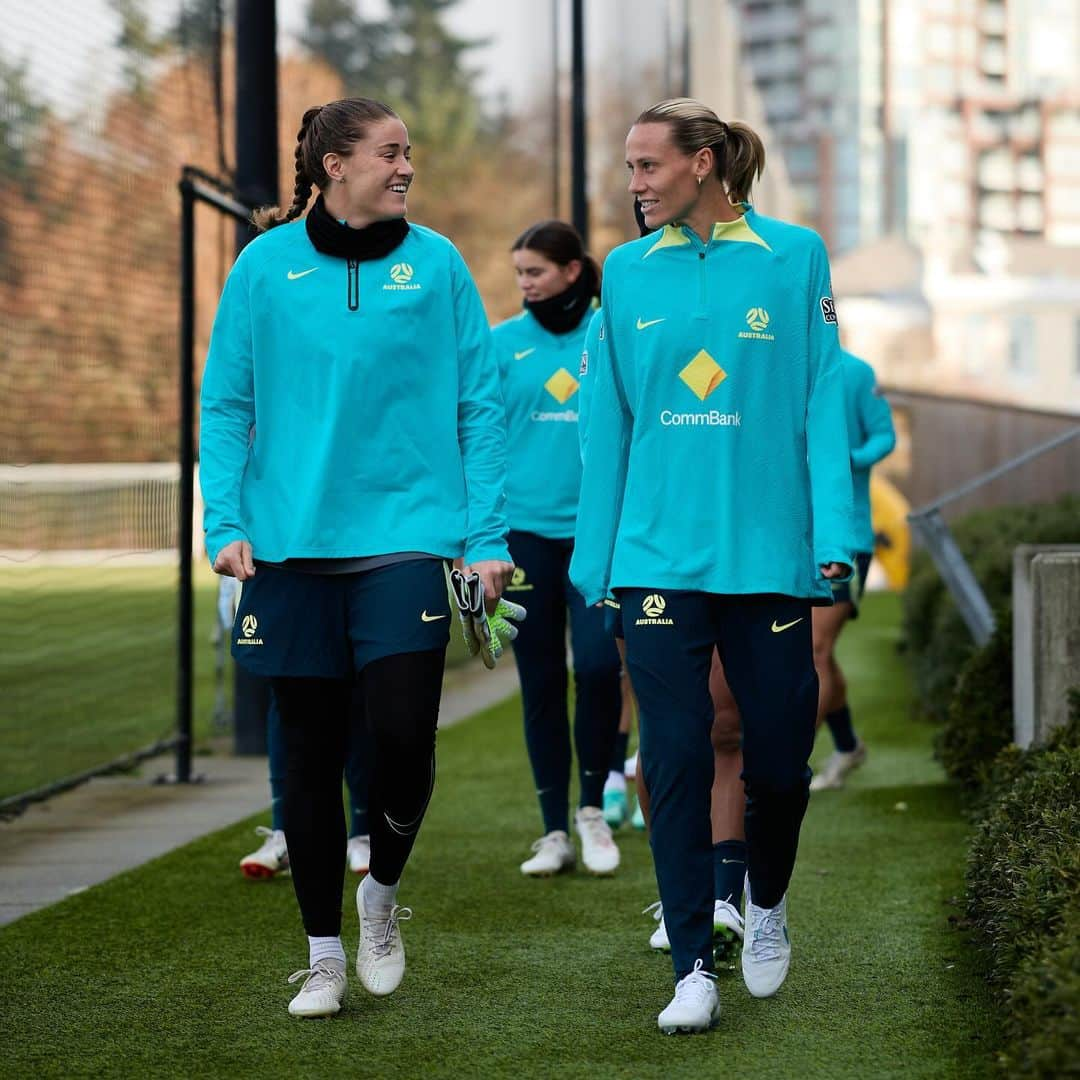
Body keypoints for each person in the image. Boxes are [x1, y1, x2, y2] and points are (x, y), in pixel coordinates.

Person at [200, 97, 512, 1019]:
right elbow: (226, 405)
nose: (406, 165)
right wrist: (225, 521)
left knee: (404, 738)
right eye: (390, 151)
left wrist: (486, 537)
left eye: (409, 150)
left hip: (408, 537)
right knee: (301, 756)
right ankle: (323, 952)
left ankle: (380, 893)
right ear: (334, 165)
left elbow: (479, 409)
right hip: (290, 547)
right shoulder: (262, 268)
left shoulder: (441, 264)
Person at [570, 98, 853, 1034]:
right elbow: (607, 421)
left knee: (778, 763)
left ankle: (766, 902)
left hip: (770, 559)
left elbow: (821, 404)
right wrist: (594, 553)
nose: (634, 184)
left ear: (703, 163)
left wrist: (834, 535)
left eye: (648, 166)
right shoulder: (624, 272)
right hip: (656, 557)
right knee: (679, 756)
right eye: (630, 168)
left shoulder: (793, 255)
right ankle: (693, 963)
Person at [492, 221, 622, 877]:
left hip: (600, 536)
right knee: (539, 680)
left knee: (599, 668)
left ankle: (594, 810)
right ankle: (553, 831)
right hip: (523, 542)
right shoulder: (499, 345)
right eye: (518, 274)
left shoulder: (612, 331)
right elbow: (480, 442)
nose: (524, 285)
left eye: (535, 272)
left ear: (573, 271)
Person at [809, 349, 895, 791]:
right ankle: (847, 746)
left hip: (847, 537)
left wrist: (845, 459)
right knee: (817, 653)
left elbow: (885, 437)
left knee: (815, 651)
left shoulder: (857, 372)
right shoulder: (775, 363)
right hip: (788, 541)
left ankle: (786, 760)